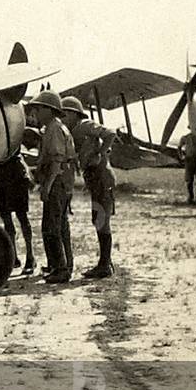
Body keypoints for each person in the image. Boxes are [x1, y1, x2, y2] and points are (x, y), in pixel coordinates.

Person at [61, 96, 117, 278]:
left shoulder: (84, 125)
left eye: (65, 114)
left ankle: (104, 265)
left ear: (74, 114)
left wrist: (101, 153)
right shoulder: (74, 130)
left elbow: (110, 133)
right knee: (99, 219)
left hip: (100, 176)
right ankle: (106, 263)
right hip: (95, 177)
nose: (63, 118)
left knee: (101, 220)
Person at [28, 90, 75, 284]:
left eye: (38, 109)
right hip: (63, 183)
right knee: (61, 225)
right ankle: (63, 265)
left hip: (57, 182)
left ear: (49, 110)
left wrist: (47, 186)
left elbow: (56, 160)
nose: (35, 113)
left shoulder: (54, 129)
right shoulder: (56, 127)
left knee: (51, 227)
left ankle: (60, 269)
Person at [0, 150, 35, 274]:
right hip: (1, 175)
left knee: (21, 216)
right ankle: (13, 256)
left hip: (16, 174)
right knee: (6, 218)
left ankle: (30, 257)